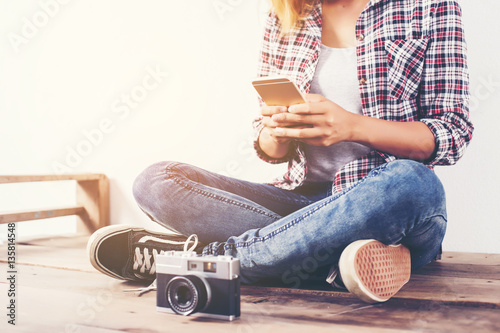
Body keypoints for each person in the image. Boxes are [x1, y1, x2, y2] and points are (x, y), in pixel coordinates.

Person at [87, 0, 473, 303]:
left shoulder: (429, 5)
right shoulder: (288, 13)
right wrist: (276, 133)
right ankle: (336, 261)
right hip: (302, 204)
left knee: (412, 181)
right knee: (157, 181)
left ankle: (217, 258)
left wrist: (352, 127)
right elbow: (270, 149)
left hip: (388, 205)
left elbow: (452, 132)